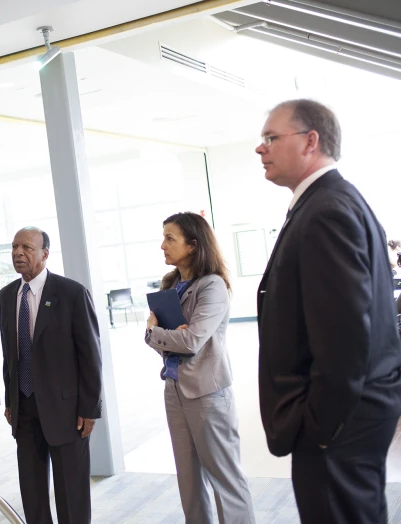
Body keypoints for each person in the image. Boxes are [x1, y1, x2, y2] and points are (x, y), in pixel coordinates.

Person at [255, 99, 401, 523]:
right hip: (352, 419)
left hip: (340, 428)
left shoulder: (325, 211)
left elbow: (345, 336)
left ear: (310, 141)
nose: (260, 149)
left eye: (271, 138)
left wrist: (320, 428)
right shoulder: (330, 201)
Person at [145, 212, 255, 524]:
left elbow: (191, 341)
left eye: (170, 238)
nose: (162, 245)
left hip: (208, 394)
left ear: (193, 245)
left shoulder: (212, 286)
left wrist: (154, 332)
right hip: (175, 389)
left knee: (225, 479)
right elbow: (173, 344)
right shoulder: (170, 286)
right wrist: (168, 337)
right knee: (189, 480)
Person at [0, 227, 102, 524]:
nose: (18, 253)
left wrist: (89, 408)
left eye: (27, 248)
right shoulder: (7, 297)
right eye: (15, 247)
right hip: (24, 407)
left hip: (66, 409)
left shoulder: (71, 293)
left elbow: (90, 356)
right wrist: (10, 402)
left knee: (71, 491)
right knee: (32, 491)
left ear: (45, 254)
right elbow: (10, 356)